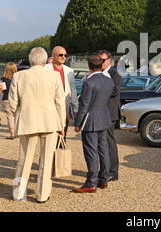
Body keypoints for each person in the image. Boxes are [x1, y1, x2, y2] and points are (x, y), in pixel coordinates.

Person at [9, 47, 66, 203]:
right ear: (45, 59)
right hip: (50, 121)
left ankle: (18, 193)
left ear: (30, 59)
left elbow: (12, 102)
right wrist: (61, 124)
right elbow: (60, 102)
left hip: (27, 120)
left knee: (24, 159)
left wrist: (19, 114)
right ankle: (42, 194)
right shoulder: (54, 76)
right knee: (46, 161)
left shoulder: (18, 75)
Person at [73, 55, 114, 193]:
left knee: (91, 152)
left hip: (90, 120)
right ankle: (103, 179)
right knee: (103, 150)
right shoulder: (109, 80)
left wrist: (78, 123)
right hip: (104, 117)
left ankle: (91, 182)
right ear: (101, 65)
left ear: (89, 66)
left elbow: (84, 105)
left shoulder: (89, 82)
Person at [44, 46, 78, 141]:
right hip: (48, 108)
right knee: (49, 138)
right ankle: (48, 155)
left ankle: (60, 154)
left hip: (64, 109)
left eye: (65, 55)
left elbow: (73, 90)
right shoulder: (45, 69)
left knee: (63, 136)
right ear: (53, 55)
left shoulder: (69, 71)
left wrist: (76, 108)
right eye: (60, 55)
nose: (63, 57)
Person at [98, 50, 121, 182]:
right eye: (99, 60)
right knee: (101, 143)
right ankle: (104, 169)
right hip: (100, 113)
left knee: (109, 142)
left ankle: (113, 171)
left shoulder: (115, 73)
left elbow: (114, 92)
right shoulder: (98, 73)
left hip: (110, 113)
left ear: (109, 60)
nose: (100, 62)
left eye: (103, 60)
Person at [0, 63, 17, 139]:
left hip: (6, 98)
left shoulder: (3, 79)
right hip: (16, 99)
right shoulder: (17, 78)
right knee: (16, 115)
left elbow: (1, 90)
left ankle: (12, 134)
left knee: (9, 116)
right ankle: (17, 132)